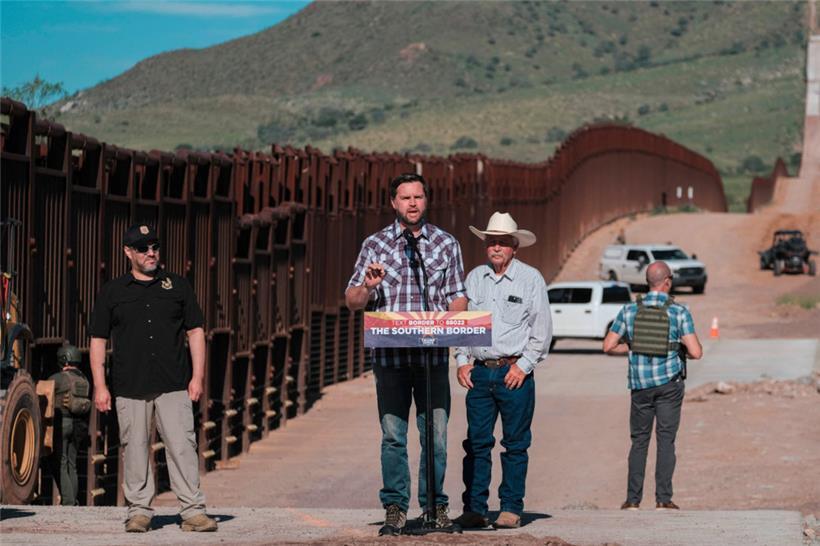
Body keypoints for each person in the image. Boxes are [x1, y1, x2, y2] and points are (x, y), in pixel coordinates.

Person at [345, 173, 467, 535]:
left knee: (437, 437)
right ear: (393, 203)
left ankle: (434, 508)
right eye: (405, 198)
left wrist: (452, 322)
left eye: (418, 197)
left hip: (431, 359)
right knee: (394, 436)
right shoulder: (375, 245)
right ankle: (396, 508)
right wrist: (368, 286)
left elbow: (457, 295)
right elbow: (352, 301)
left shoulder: (446, 244)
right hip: (391, 360)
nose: (412, 203)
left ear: (426, 201)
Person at [88, 224, 217, 533]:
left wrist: (197, 377)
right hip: (130, 385)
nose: (151, 253)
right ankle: (139, 512)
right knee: (134, 447)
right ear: (128, 252)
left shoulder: (178, 286)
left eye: (155, 247)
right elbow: (97, 339)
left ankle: (193, 511)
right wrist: (100, 385)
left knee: (182, 446)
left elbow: (196, 331)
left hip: (173, 382)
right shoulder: (113, 292)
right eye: (143, 248)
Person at [452, 212, 552, 530]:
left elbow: (542, 329)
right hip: (480, 373)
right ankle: (476, 508)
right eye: (491, 242)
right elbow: (464, 324)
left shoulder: (531, 278)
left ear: (514, 247)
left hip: (513, 373)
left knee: (515, 444)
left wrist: (524, 366)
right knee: (477, 443)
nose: (495, 247)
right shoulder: (474, 278)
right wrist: (462, 360)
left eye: (502, 242)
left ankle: (510, 508)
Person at [603, 260, 703, 511]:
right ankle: (663, 499)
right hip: (669, 385)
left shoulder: (629, 310)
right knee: (666, 441)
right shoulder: (679, 312)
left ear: (648, 282)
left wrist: (635, 346)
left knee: (639, 442)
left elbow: (608, 346)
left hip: (640, 388)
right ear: (667, 281)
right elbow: (696, 352)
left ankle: (632, 500)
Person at [48, 344, 91, 506]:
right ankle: (73, 500)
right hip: (79, 426)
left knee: (61, 462)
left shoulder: (58, 378)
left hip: (62, 424)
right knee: (72, 464)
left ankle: (68, 501)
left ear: (63, 359)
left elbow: (42, 391)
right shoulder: (84, 380)